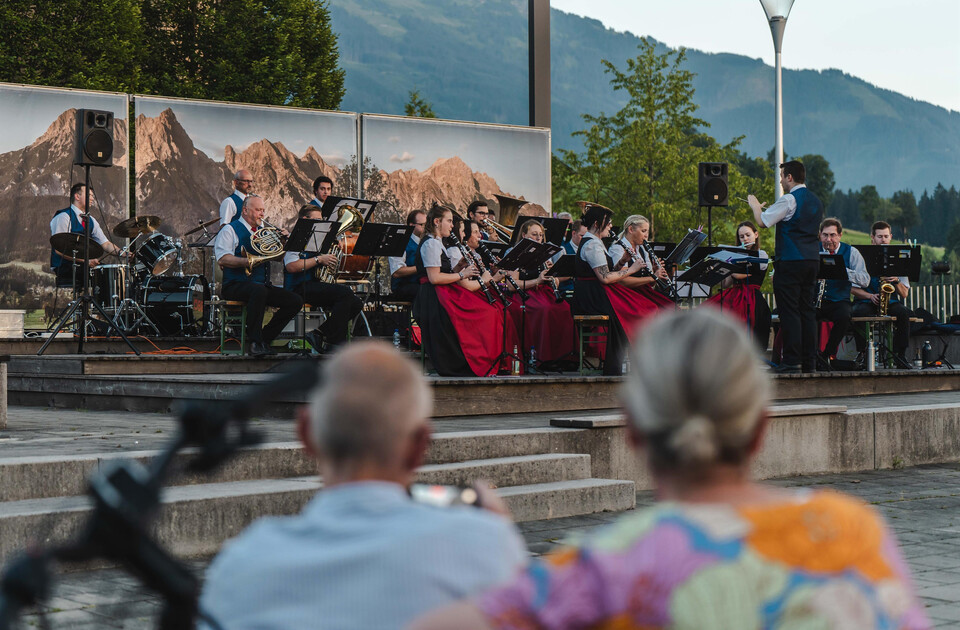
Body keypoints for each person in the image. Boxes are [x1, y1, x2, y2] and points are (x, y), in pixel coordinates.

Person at [413, 309, 929, 630]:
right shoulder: (851, 531)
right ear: (760, 426)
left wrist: (501, 549)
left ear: (634, 430)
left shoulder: (606, 569)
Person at [200, 342, 527, 630]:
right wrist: (501, 537)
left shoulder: (243, 562)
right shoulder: (482, 545)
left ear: (306, 434)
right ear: (420, 446)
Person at [413, 205, 519, 376]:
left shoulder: (435, 242)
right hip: (434, 297)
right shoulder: (431, 243)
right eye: (448, 221)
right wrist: (463, 274)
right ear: (437, 222)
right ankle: (472, 360)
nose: (451, 225)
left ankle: (483, 358)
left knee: (487, 311)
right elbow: (434, 278)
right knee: (484, 313)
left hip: (441, 293)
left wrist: (457, 267)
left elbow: (444, 273)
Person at [749, 160, 823, 373]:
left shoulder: (789, 199)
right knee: (807, 312)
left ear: (790, 177)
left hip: (791, 261)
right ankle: (809, 361)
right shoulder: (816, 201)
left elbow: (762, 222)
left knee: (790, 312)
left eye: (782, 176)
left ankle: (792, 361)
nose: (780, 181)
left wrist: (755, 206)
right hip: (811, 261)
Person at [215, 194, 302, 356]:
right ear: (245, 211)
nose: (262, 214)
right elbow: (223, 258)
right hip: (234, 284)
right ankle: (254, 342)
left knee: (294, 301)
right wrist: (247, 262)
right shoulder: (229, 229)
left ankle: (264, 338)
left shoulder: (264, 232)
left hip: (260, 285)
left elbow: (279, 258)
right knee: (259, 291)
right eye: (258, 210)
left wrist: (283, 243)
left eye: (263, 210)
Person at [571, 204, 650, 376]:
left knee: (639, 306)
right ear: (598, 224)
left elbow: (609, 272)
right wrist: (632, 269)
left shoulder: (596, 242)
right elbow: (605, 278)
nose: (611, 227)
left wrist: (622, 261)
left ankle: (627, 361)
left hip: (595, 293)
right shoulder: (592, 245)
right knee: (634, 310)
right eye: (608, 223)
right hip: (591, 297)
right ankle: (620, 364)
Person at [486, 219, 575, 367]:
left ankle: (562, 358)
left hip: (543, 292)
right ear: (524, 235)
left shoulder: (544, 253)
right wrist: (538, 280)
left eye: (540, 235)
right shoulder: (514, 252)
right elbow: (511, 285)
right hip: (523, 293)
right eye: (534, 234)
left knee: (564, 308)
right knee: (544, 310)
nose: (538, 238)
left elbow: (550, 277)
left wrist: (551, 276)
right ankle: (541, 358)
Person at [283, 204, 363, 351]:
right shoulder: (297, 237)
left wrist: (333, 248)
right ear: (304, 219)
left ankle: (320, 334)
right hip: (297, 287)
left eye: (322, 219)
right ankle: (334, 342)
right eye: (317, 220)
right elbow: (291, 266)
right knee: (345, 294)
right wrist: (319, 259)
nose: (322, 223)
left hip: (312, 284)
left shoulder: (318, 238)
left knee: (356, 303)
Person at [851, 221, 914, 365]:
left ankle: (900, 354)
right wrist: (870, 296)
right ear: (872, 238)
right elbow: (852, 288)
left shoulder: (899, 259)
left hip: (890, 301)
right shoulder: (860, 257)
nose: (883, 240)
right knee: (857, 312)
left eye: (886, 236)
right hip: (866, 300)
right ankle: (863, 353)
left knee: (904, 313)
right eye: (879, 236)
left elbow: (904, 294)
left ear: (891, 237)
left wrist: (896, 281)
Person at [702, 221, 772, 350]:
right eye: (741, 237)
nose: (745, 239)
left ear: (755, 235)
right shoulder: (735, 254)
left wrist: (730, 266)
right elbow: (726, 284)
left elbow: (744, 275)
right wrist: (721, 268)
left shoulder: (761, 255)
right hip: (733, 293)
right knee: (707, 311)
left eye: (748, 235)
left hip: (751, 295)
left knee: (739, 317)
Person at [50, 183, 125, 288]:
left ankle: (104, 304)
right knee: (102, 275)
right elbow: (59, 249)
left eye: (92, 196)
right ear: (77, 196)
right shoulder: (64, 216)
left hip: (83, 265)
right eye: (89, 195)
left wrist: (122, 253)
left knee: (113, 274)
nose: (92, 198)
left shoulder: (91, 220)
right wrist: (86, 261)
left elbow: (106, 244)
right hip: (66, 266)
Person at [818, 218, 870, 365]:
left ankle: (827, 354)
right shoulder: (812, 250)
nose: (829, 239)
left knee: (844, 316)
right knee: (804, 315)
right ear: (820, 235)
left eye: (833, 235)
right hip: (816, 299)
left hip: (839, 300)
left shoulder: (851, 252)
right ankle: (811, 354)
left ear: (840, 235)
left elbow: (865, 280)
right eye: (825, 235)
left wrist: (843, 271)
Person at [607, 214, 674, 310]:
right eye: (643, 231)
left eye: (647, 231)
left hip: (643, 292)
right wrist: (653, 278)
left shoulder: (642, 249)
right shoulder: (617, 249)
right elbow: (622, 281)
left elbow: (650, 285)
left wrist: (655, 272)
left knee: (671, 307)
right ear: (631, 229)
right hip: (625, 294)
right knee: (653, 310)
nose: (646, 235)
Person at [389, 210, 427, 301]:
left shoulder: (426, 242)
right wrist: (423, 267)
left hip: (421, 283)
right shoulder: (400, 242)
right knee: (429, 292)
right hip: (404, 286)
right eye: (422, 225)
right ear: (411, 225)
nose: (425, 228)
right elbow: (397, 272)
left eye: (427, 225)